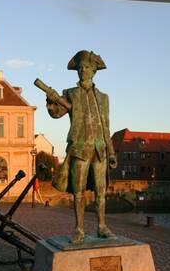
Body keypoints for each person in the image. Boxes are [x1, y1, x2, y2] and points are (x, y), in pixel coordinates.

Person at [45, 50, 117, 244]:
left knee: (101, 192)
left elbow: (106, 125)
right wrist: (51, 101)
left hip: (100, 149)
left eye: (86, 67)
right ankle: (79, 229)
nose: (83, 70)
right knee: (78, 192)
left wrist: (111, 151)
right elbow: (56, 113)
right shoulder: (70, 93)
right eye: (80, 67)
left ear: (94, 70)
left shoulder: (103, 98)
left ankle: (102, 226)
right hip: (79, 149)